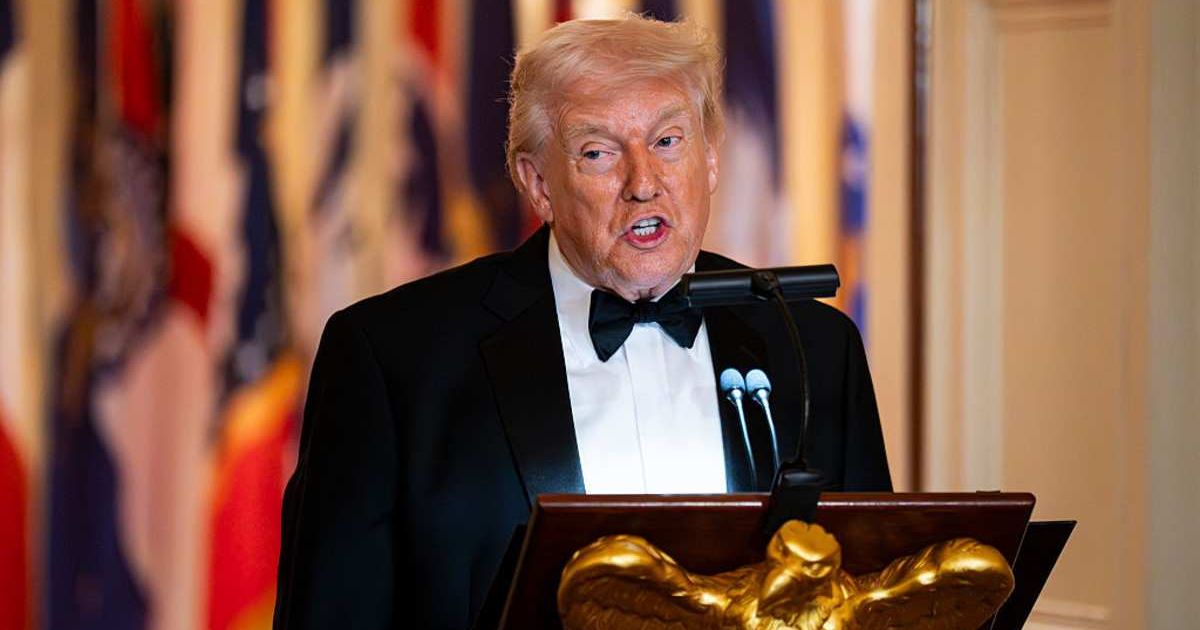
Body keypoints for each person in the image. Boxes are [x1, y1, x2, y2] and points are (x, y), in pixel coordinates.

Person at [273, 15, 890, 630]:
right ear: (538, 184)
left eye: (669, 141)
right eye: (598, 153)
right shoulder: (394, 359)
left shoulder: (811, 345)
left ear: (710, 160)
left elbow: (872, 599)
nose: (643, 184)